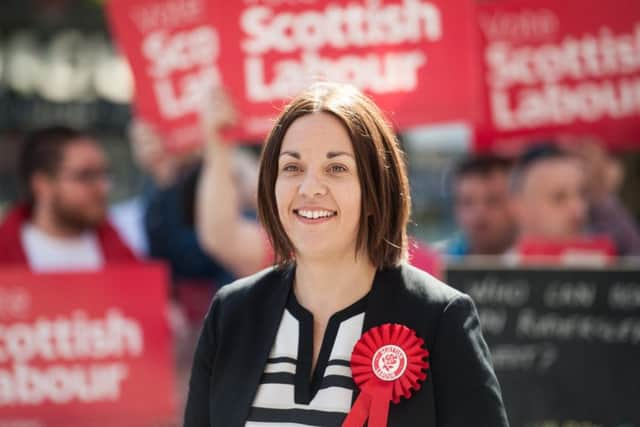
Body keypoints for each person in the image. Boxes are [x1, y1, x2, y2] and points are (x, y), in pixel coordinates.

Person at [184, 83, 508, 426]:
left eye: (336, 168)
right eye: (292, 168)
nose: (310, 188)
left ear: (373, 189)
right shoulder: (231, 313)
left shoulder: (440, 318)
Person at [0, 125, 137, 270]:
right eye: (86, 175)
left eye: (104, 175)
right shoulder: (6, 256)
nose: (102, 187)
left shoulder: (123, 257)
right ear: (42, 185)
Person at [443, 155, 516, 257]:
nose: (479, 212)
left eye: (493, 200)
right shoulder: (438, 264)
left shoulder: (539, 262)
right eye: (467, 202)